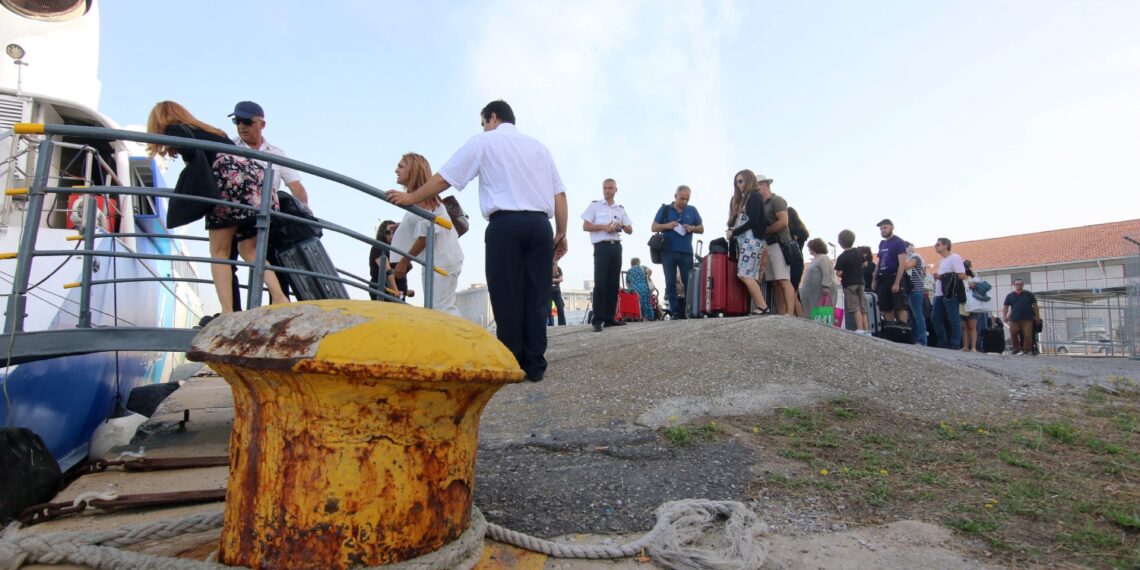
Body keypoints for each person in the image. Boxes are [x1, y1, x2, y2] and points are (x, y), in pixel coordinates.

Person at [387, 100, 568, 383]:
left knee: (506, 294)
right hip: (539, 226)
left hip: (505, 225)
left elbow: (446, 177)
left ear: (492, 118)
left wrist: (411, 197)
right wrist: (561, 232)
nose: (483, 128)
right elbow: (559, 194)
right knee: (537, 296)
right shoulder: (539, 148)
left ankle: (512, 361)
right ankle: (535, 364)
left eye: (484, 123)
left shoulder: (486, 142)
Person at [146, 101, 288, 315]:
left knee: (219, 252)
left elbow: (196, 162)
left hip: (230, 186)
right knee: (249, 250)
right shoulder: (210, 131)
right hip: (258, 187)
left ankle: (227, 311)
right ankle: (280, 297)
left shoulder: (175, 130)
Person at [389, 153, 463, 317]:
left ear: (413, 171)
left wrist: (403, 262)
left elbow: (426, 236)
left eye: (401, 166)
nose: (396, 170)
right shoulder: (421, 196)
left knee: (441, 309)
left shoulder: (421, 198)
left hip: (442, 260)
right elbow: (424, 224)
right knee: (437, 308)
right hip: (437, 260)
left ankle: (461, 340)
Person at [581, 178, 632, 332]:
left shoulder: (620, 209)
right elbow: (586, 226)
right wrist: (605, 227)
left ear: (616, 190)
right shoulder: (595, 206)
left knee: (613, 283)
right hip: (601, 246)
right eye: (605, 188)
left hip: (616, 247)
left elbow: (630, 229)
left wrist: (621, 225)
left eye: (610, 188)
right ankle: (597, 319)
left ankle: (609, 318)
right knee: (601, 283)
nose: (607, 190)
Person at [650, 185, 703, 319]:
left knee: (688, 282)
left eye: (687, 199)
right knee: (670, 282)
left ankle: (689, 310)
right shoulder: (665, 209)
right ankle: (675, 312)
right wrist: (668, 226)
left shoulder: (692, 210)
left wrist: (692, 228)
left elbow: (701, 228)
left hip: (686, 252)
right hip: (668, 252)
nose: (684, 202)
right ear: (675, 196)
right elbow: (653, 227)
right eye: (682, 198)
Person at [725, 170, 771, 315]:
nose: (738, 185)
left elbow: (754, 221)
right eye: (736, 182)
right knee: (749, 274)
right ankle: (761, 306)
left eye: (741, 181)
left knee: (744, 273)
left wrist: (735, 232)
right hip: (752, 241)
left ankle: (762, 306)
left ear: (748, 180)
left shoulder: (754, 196)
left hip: (753, 240)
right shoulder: (750, 197)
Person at [756, 174, 796, 316]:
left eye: (758, 185)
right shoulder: (761, 203)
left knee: (783, 279)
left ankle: (789, 314)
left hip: (779, 243)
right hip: (768, 245)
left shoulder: (777, 200)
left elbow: (783, 221)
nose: (756, 188)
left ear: (765, 184)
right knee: (774, 282)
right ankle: (780, 313)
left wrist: (766, 230)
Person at [930, 237, 967, 350]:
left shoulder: (954, 258)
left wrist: (943, 277)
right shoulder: (942, 261)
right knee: (935, 317)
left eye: (938, 244)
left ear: (946, 245)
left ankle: (955, 343)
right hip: (940, 293)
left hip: (951, 293)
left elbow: (962, 275)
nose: (935, 246)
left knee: (954, 318)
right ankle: (943, 341)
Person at [872, 219, 908, 324]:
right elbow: (878, 262)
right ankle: (891, 330)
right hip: (883, 278)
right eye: (881, 228)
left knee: (900, 306)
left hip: (894, 276)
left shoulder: (898, 242)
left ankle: (904, 331)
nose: (883, 230)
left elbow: (902, 263)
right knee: (886, 308)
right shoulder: (882, 244)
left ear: (892, 227)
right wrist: (874, 279)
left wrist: (897, 282)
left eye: (885, 228)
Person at [834, 230, 869, 335]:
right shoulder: (859, 252)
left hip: (849, 284)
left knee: (855, 306)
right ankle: (866, 329)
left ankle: (859, 329)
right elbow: (865, 264)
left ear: (840, 243)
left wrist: (845, 272)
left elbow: (838, 273)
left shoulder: (842, 257)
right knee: (863, 306)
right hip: (861, 282)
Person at [800, 238, 837, 318]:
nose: (809, 250)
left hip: (821, 292)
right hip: (814, 294)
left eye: (809, 248)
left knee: (823, 313)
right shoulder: (815, 259)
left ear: (814, 247)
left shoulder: (824, 258)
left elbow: (827, 272)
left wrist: (826, 286)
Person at [1003, 278, 1040, 356]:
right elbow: (1005, 306)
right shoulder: (1010, 296)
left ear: (1023, 285)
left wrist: (1037, 317)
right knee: (1013, 333)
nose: (1018, 286)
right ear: (1014, 285)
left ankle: (1026, 350)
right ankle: (1016, 349)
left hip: (1027, 318)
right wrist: (1004, 316)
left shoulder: (1029, 294)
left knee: (1028, 335)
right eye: (1016, 284)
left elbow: (1035, 306)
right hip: (1014, 319)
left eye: (1020, 284)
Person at [903, 242, 928, 345]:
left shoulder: (915, 257)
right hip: (909, 290)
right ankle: (915, 339)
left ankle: (922, 340)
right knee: (912, 318)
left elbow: (907, 266)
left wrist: (902, 257)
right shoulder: (909, 257)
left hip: (916, 289)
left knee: (918, 315)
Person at [369, 220, 398, 300]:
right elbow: (388, 271)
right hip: (381, 288)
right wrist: (395, 290)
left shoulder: (393, 251)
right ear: (382, 233)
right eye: (388, 232)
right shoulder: (378, 247)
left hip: (389, 289)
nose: (391, 235)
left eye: (394, 232)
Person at [786, 207, 809, 291]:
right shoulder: (801, 230)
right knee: (793, 291)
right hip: (798, 261)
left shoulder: (795, 231)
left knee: (790, 291)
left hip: (793, 261)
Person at [549, 261, 566, 326]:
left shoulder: (559, 269)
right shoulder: (546, 268)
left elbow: (561, 279)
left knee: (560, 307)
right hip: (548, 292)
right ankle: (550, 325)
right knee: (548, 309)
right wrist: (556, 279)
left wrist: (553, 280)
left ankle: (562, 325)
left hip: (557, 291)